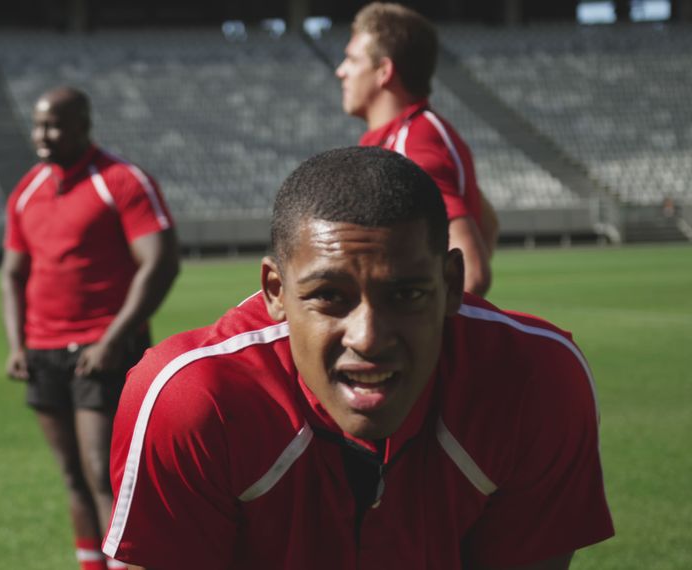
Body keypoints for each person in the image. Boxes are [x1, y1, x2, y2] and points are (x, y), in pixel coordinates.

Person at [104, 147, 613, 569]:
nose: (368, 338)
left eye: (407, 295)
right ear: (275, 292)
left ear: (451, 284)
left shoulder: (534, 380)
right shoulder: (193, 400)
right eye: (330, 295)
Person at [1, 86, 179, 570]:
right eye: (38, 125)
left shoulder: (120, 180)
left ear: (83, 124)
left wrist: (114, 338)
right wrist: (17, 344)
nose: (43, 135)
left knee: (106, 473)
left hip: (102, 349)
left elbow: (160, 262)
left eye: (55, 125)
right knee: (73, 476)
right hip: (43, 352)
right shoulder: (27, 190)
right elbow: (13, 273)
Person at [337, 2, 499, 297]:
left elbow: (472, 273)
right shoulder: (410, 135)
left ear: (383, 71)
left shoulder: (413, 145)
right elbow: (487, 225)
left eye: (351, 59)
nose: (340, 71)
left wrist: (424, 336)